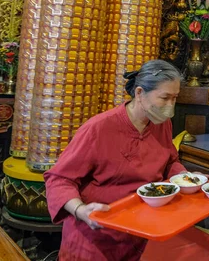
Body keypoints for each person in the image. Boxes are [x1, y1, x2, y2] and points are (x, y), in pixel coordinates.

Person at [44, 60, 188, 261]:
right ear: (139, 93)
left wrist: (184, 176)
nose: (170, 106)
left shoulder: (162, 125)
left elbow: (171, 161)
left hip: (140, 230)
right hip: (96, 235)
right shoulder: (99, 128)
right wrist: (81, 210)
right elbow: (59, 179)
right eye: (165, 98)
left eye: (175, 98)